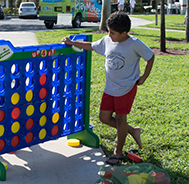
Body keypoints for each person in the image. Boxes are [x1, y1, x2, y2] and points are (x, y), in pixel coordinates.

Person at [62, 12, 154, 165]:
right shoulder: (107, 40)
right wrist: (73, 43)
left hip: (126, 88)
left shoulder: (135, 44)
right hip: (110, 87)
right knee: (104, 118)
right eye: (108, 31)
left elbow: (150, 56)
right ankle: (132, 130)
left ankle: (118, 153)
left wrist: (144, 77)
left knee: (120, 119)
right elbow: (91, 46)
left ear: (124, 33)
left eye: (112, 32)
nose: (109, 34)